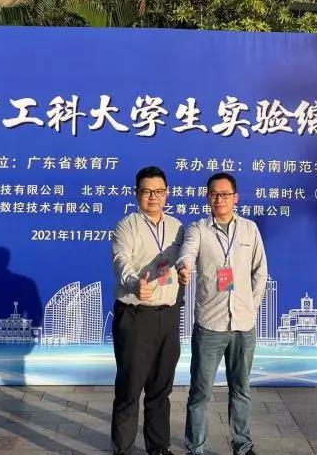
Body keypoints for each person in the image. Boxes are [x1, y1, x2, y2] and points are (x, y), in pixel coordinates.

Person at [177, 172, 268, 455]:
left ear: (235, 198)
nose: (220, 199)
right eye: (214, 194)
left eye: (225, 194)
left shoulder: (250, 229)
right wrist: (184, 267)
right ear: (208, 198)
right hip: (210, 325)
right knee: (200, 392)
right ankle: (196, 448)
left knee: (241, 390)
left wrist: (250, 307)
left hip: (243, 326)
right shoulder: (199, 229)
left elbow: (260, 271)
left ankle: (242, 445)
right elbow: (187, 252)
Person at [110, 166, 190, 455]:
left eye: (159, 191)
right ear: (137, 194)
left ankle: (158, 448)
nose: (153, 197)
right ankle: (123, 449)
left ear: (167, 194)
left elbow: (184, 258)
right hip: (136, 316)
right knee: (130, 388)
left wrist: (184, 271)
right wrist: (134, 284)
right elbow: (121, 260)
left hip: (168, 315)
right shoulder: (127, 226)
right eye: (147, 191)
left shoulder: (178, 227)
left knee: (161, 388)